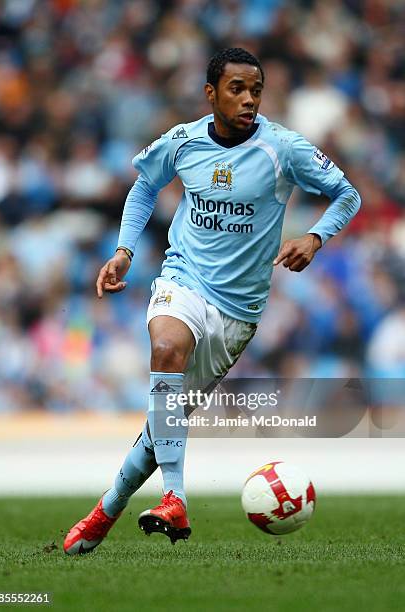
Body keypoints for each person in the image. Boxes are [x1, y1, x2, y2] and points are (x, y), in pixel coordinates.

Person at [63, 47, 360, 554]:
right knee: (165, 349)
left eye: (256, 91)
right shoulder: (181, 142)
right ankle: (176, 499)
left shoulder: (283, 148)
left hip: (238, 309)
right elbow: (143, 187)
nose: (249, 100)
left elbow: (347, 194)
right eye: (237, 89)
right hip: (184, 278)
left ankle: (106, 510)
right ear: (211, 94)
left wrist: (313, 238)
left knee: (165, 425)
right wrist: (124, 249)